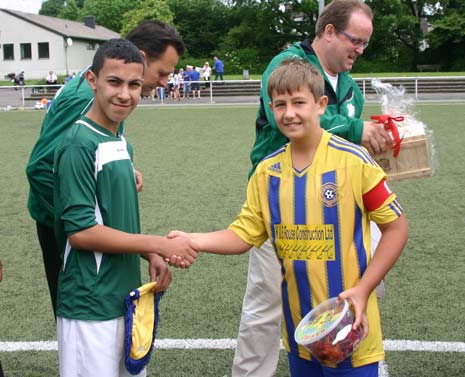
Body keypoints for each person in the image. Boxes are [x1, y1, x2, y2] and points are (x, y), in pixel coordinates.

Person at [169, 58, 408, 377]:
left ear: (321, 104)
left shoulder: (355, 162)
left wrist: (364, 289)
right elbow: (243, 235)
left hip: (349, 326)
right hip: (302, 334)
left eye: (299, 102)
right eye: (280, 104)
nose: (289, 113)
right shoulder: (267, 172)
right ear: (270, 107)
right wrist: (192, 239)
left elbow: (396, 228)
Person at [233, 1, 394, 375]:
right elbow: (292, 126)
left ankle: (353, 355)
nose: (360, 50)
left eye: (366, 44)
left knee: (357, 286)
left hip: (340, 207)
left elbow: (343, 147)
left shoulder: (350, 88)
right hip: (281, 203)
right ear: (329, 31)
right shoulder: (287, 65)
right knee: (266, 303)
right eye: (356, 40)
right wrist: (357, 129)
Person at [54, 38, 197, 377]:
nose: (125, 94)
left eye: (134, 84)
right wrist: (157, 244)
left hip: (125, 297)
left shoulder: (120, 142)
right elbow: (82, 233)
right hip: (89, 304)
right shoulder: (77, 143)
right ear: (93, 81)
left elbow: (114, 218)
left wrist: (151, 256)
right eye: (114, 82)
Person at [25, 20, 186, 318]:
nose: (165, 81)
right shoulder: (87, 98)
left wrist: (118, 170)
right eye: (162, 72)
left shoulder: (110, 97)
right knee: (85, 317)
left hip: (98, 229)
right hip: (72, 233)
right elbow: (41, 169)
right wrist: (75, 222)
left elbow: (93, 154)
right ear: (140, 56)